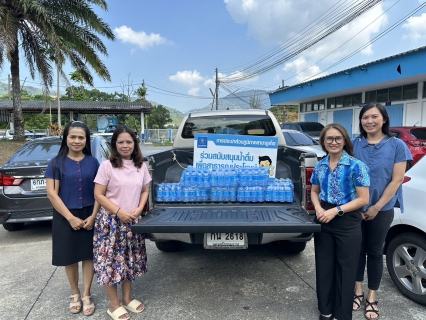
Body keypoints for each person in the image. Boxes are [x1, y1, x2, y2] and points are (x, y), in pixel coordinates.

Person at [352, 102, 412, 320]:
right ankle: (357, 290)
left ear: (384, 119)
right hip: (356, 208)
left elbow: (396, 180)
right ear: (361, 121)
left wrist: (376, 207)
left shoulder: (397, 146)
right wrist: (356, 206)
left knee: (375, 252)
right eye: (365, 117)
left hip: (383, 207)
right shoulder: (354, 144)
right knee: (357, 250)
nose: (369, 121)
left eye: (374, 117)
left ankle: (372, 297)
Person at [310, 123, 370, 320]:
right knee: (324, 266)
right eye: (329, 139)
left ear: (345, 141)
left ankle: (341, 315)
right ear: (323, 142)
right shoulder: (319, 166)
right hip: (324, 218)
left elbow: (363, 199)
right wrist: (319, 208)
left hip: (347, 220)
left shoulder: (356, 166)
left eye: (338, 138)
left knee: (346, 269)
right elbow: (314, 191)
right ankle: (325, 310)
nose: (333, 142)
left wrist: (335, 211)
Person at [93, 125, 151, 320]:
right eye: (121, 142)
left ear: (134, 144)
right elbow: (98, 195)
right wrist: (118, 212)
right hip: (111, 222)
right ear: (114, 144)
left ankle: (127, 298)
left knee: (129, 261)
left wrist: (138, 209)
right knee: (110, 263)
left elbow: (144, 190)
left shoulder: (140, 166)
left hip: (133, 221)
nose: (125, 146)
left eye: (129, 142)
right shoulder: (106, 166)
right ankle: (113, 304)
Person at [45, 121, 100, 316]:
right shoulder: (56, 163)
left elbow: (99, 193)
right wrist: (70, 218)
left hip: (89, 214)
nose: (77, 141)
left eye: (81, 137)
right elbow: (52, 194)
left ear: (86, 140)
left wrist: (93, 215)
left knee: (88, 255)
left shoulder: (93, 163)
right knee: (70, 256)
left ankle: (86, 293)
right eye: (73, 137)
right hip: (65, 215)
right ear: (65, 138)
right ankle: (74, 292)